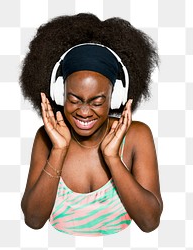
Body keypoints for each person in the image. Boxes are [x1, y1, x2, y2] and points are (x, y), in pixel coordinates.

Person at [20, 13, 163, 237]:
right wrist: (58, 150)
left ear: (115, 98)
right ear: (60, 94)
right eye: (74, 99)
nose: (84, 112)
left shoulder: (137, 135)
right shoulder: (47, 137)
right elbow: (34, 220)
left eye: (97, 101)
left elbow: (149, 222)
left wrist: (113, 158)